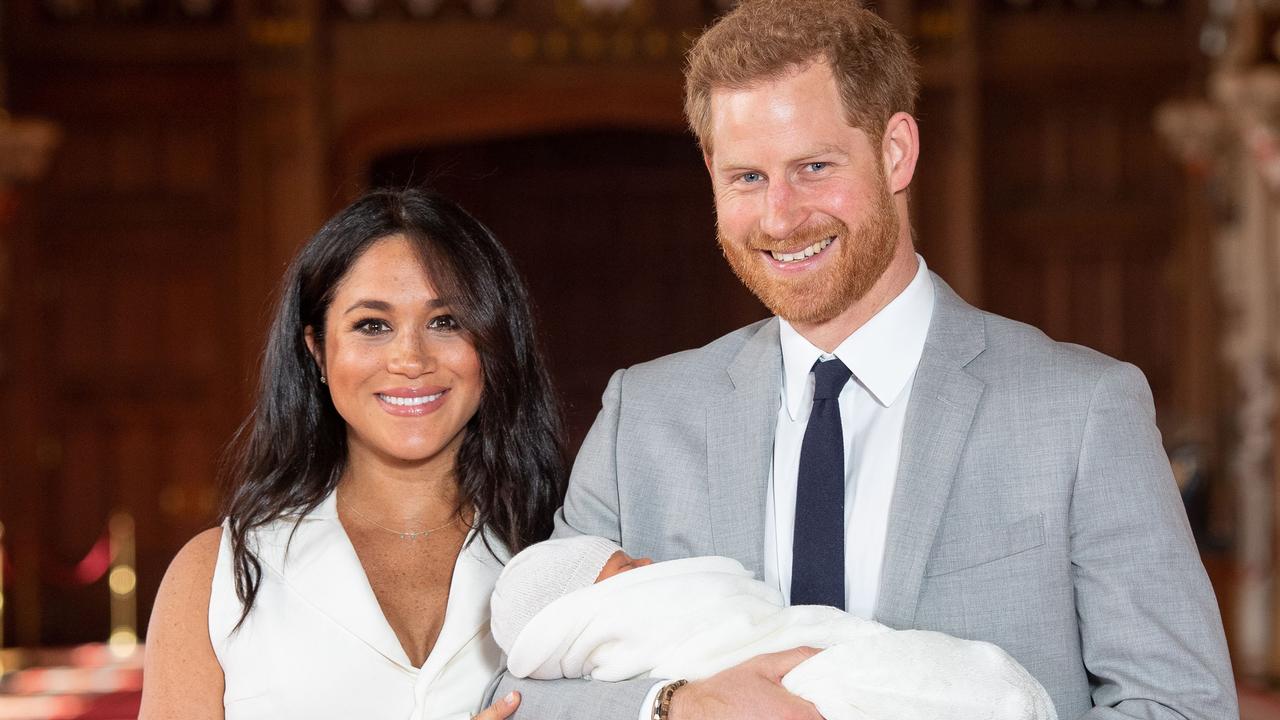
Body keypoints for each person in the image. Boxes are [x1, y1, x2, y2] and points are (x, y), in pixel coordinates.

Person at [496, 1, 1238, 718]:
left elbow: (1179, 703)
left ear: (896, 151)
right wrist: (674, 707)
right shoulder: (643, 420)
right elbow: (522, 694)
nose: (780, 217)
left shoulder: (1081, 410)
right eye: (746, 177)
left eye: (814, 167)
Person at [139, 188, 567, 720]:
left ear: (493, 344)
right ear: (317, 349)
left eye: (446, 322)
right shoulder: (215, 576)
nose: (410, 359)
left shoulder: (565, 552)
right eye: (372, 325)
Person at [489, 536, 1057, 720]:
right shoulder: (632, 410)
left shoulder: (1088, 398)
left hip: (829, 654)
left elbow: (1145, 692)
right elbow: (520, 699)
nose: (648, 566)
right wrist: (677, 705)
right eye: (628, 569)